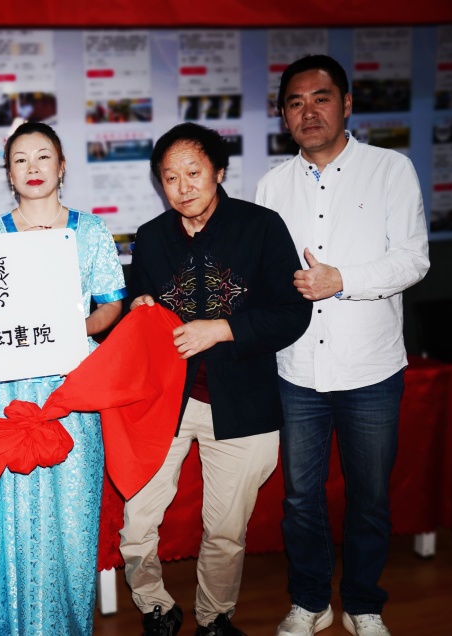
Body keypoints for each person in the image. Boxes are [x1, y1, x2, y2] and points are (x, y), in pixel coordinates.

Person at [256, 55, 430, 636]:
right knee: (300, 498)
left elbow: (414, 259)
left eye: (321, 98)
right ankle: (310, 601)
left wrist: (341, 280)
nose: (309, 111)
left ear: (347, 104)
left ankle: (363, 603)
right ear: (283, 116)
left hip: (371, 366)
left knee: (370, 497)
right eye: (296, 102)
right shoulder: (271, 186)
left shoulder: (390, 170)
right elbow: (266, 276)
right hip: (297, 368)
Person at [121, 122, 312, 636]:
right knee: (138, 518)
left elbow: (293, 313)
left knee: (226, 530)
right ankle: (154, 605)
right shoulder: (151, 237)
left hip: (242, 400)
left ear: (219, 172)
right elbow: (136, 306)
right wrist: (138, 307)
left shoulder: (261, 227)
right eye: (170, 177)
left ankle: (214, 617)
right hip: (164, 401)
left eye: (194, 172)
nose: (183, 187)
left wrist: (223, 329)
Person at [0, 120, 127, 635]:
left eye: (43, 157)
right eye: (20, 160)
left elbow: (111, 304)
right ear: (9, 174)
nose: (32, 168)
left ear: (62, 167)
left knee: (74, 515)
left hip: (73, 383)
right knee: (13, 510)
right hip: (12, 386)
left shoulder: (92, 231)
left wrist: (72, 332)